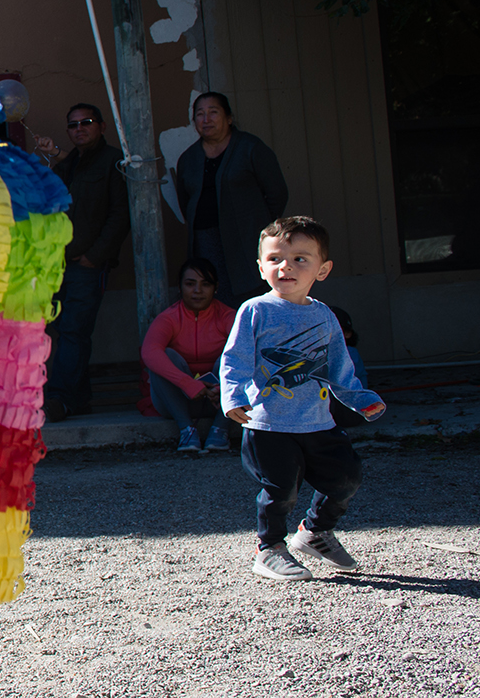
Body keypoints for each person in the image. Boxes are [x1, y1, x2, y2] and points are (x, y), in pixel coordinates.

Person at [221, 216, 385, 582]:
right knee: (281, 489)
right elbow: (235, 359)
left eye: (299, 259)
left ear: (322, 270)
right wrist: (232, 396)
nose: (286, 267)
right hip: (269, 424)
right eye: (275, 258)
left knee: (346, 478)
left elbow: (339, 366)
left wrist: (359, 398)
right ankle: (269, 549)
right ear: (261, 267)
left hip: (318, 421)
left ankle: (314, 532)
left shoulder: (324, 316)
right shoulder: (255, 310)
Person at [33, 103, 128, 421]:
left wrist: (95, 256)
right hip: (58, 264)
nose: (79, 129)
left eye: (85, 122)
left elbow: (120, 214)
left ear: (101, 126)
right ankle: (78, 398)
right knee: (62, 330)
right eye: (73, 125)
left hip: (87, 266)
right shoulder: (70, 163)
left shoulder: (113, 161)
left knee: (74, 331)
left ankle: (60, 399)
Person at [175, 92, 288, 306]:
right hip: (205, 242)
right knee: (214, 299)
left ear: (228, 118)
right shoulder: (188, 159)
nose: (206, 119)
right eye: (200, 114)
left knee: (251, 296)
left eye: (213, 112)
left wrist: (259, 226)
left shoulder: (250, 148)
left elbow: (277, 193)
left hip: (247, 241)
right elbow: (185, 201)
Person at [141, 258, 236, 454]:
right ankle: (186, 429)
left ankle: (220, 430)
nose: (197, 291)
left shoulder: (228, 316)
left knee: (236, 355)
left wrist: (221, 389)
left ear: (216, 288)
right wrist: (188, 384)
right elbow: (149, 352)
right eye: (190, 284)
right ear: (180, 287)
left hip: (218, 401)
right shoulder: (169, 318)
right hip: (177, 401)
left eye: (205, 284)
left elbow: (251, 351)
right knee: (164, 355)